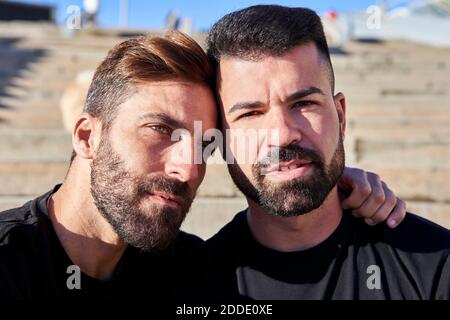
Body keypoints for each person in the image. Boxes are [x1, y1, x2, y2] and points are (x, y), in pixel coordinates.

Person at [0, 31, 404, 300]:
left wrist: (329, 182)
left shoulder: (194, 273)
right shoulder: (10, 260)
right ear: (87, 136)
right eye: (159, 129)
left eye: (204, 146)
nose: (187, 169)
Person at [195, 5, 450, 300]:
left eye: (304, 104)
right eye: (251, 113)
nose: (283, 134)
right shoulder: (191, 287)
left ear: (340, 117)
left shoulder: (437, 267)